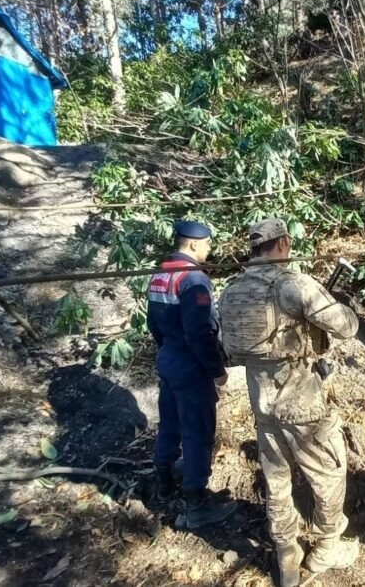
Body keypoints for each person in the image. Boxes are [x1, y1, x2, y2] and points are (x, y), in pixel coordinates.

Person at [218, 218, 360, 587]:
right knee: (329, 473)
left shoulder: (232, 291)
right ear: (282, 243)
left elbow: (231, 350)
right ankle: (327, 549)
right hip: (302, 403)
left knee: (277, 479)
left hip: (261, 401)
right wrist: (339, 308)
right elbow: (345, 327)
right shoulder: (293, 284)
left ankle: (287, 557)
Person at [147, 219, 238, 528]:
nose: (209, 249)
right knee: (198, 432)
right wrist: (217, 371)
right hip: (190, 364)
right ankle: (197, 506)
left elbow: (153, 324)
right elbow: (200, 332)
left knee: (169, 423)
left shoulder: (160, 274)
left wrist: (167, 351)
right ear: (194, 244)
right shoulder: (194, 280)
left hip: (168, 358)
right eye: (208, 244)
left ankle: (163, 482)